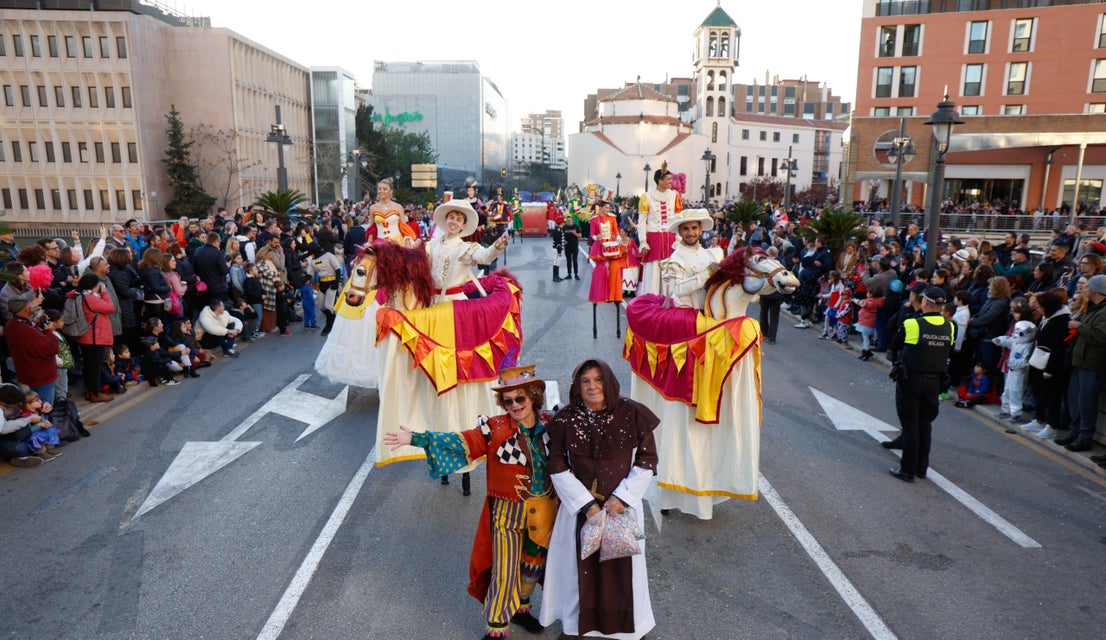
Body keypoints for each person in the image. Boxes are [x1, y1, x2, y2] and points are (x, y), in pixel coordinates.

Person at [383, 366, 554, 640]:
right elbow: (462, 441)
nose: (514, 406)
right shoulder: (495, 428)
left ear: (533, 396)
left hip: (544, 512)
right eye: (508, 401)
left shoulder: (552, 424)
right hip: (506, 513)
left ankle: (521, 609)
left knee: (532, 567)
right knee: (505, 570)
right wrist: (417, 438)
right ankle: (497, 627)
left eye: (520, 399)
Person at [540, 358, 658, 640]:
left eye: (598, 379)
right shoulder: (566, 419)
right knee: (577, 571)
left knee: (622, 570)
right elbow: (556, 464)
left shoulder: (632, 413)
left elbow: (647, 460)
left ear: (609, 382)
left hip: (621, 510)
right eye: (585, 381)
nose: (592, 387)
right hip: (580, 510)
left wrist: (622, 498)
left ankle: (630, 628)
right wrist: (587, 505)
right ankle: (575, 625)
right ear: (577, 387)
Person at [889, 286, 954, 482]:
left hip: (911, 380)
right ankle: (921, 469)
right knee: (925, 425)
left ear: (925, 302)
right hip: (934, 382)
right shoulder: (949, 327)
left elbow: (895, 344)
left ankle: (907, 470)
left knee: (910, 425)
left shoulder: (913, 324)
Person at [1056, 274, 1106, 452]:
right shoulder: (1093, 309)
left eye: (1087, 287)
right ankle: (1074, 432)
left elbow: (1100, 336)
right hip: (1080, 360)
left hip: (1092, 364)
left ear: (1095, 289)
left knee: (1086, 402)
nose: (1084, 289)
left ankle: (1085, 437)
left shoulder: (1103, 311)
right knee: (1075, 400)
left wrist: (1079, 327)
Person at [425, 200, 507, 302]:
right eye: (451, 217)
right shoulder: (432, 244)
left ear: (463, 226)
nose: (454, 222)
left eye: (459, 220)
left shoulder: (466, 248)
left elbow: (485, 257)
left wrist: (498, 245)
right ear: (446, 220)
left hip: (455, 306)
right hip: (431, 303)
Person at [659, 209, 724, 309]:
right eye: (686, 229)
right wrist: (707, 273)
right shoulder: (675, 260)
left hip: (711, 314)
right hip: (686, 317)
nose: (690, 233)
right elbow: (678, 289)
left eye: (694, 228)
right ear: (680, 232)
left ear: (700, 230)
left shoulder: (709, 254)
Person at [636, 162, 683, 296]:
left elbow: (679, 219)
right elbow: (642, 221)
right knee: (653, 272)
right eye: (668, 179)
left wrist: (679, 238)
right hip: (653, 240)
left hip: (670, 240)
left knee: (670, 271)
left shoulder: (675, 196)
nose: (671, 182)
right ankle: (651, 301)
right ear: (660, 180)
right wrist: (643, 241)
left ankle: (669, 302)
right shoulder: (647, 196)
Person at [587, 201, 627, 305]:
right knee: (601, 269)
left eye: (609, 208)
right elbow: (592, 234)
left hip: (610, 245)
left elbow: (616, 231)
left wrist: (618, 238)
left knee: (614, 268)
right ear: (600, 208)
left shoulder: (612, 218)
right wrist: (596, 237)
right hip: (600, 246)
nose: (608, 209)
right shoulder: (594, 219)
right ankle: (600, 294)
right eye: (606, 207)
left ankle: (613, 294)